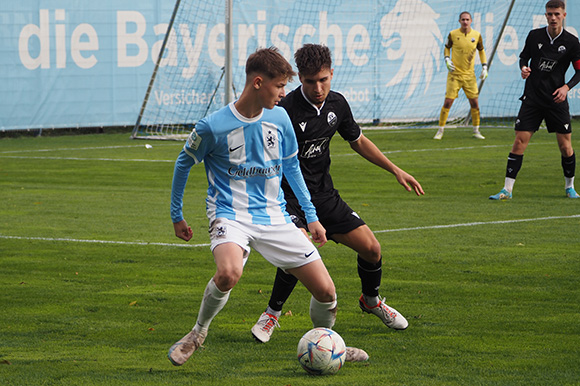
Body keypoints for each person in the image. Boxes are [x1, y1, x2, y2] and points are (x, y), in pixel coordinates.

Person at [167, 47, 367, 366]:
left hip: (275, 216)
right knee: (229, 273)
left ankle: (330, 345)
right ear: (258, 83)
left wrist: (312, 218)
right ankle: (197, 333)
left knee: (326, 292)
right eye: (279, 86)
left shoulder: (280, 118)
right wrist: (177, 216)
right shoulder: (213, 126)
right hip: (230, 214)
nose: (284, 94)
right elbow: (183, 163)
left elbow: (291, 168)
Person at [250, 44, 425, 344]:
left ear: (332, 73)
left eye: (323, 80)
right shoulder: (284, 111)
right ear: (299, 80)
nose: (318, 88)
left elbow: (357, 140)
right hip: (289, 200)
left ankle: (371, 301)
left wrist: (395, 169)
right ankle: (271, 313)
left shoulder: (338, 105)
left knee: (371, 248)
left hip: (324, 196)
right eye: (309, 81)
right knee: (300, 250)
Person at [490, 0, 580, 200]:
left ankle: (570, 187)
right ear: (546, 15)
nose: (553, 17)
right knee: (518, 143)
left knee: (565, 147)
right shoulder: (534, 36)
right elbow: (524, 57)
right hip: (532, 98)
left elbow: (579, 71)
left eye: (557, 14)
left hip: (556, 101)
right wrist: (523, 68)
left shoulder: (572, 42)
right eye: (549, 14)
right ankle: (507, 190)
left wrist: (566, 88)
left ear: (564, 15)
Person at [434, 11, 488, 140]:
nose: (465, 22)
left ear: (471, 21)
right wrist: (447, 59)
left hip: (470, 76)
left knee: (474, 103)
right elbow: (447, 48)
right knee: (448, 102)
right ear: (459, 21)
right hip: (455, 75)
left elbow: (481, 51)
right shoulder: (453, 34)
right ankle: (440, 130)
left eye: (467, 19)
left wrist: (484, 66)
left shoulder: (477, 35)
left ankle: (476, 130)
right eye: (463, 19)